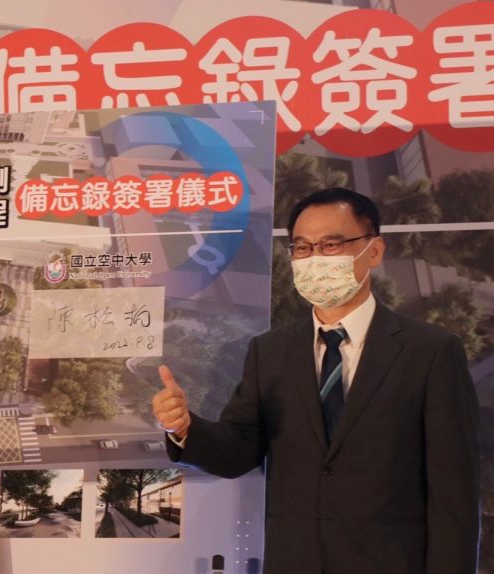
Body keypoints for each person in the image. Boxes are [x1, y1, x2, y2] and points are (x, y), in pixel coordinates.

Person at [152, 188, 479, 574]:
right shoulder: (270, 352)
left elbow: (453, 493)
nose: (315, 259)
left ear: (374, 250)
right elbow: (239, 449)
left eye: (331, 245)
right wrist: (184, 429)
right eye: (303, 248)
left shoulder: (430, 352)